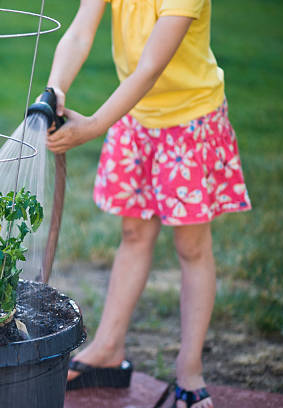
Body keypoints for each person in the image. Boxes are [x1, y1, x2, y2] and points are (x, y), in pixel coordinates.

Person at [45, 1, 251, 407]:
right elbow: (79, 33)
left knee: (191, 247)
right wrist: (55, 89)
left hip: (189, 124)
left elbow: (150, 67)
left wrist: (92, 127)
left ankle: (189, 371)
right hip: (135, 117)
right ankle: (107, 348)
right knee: (134, 233)